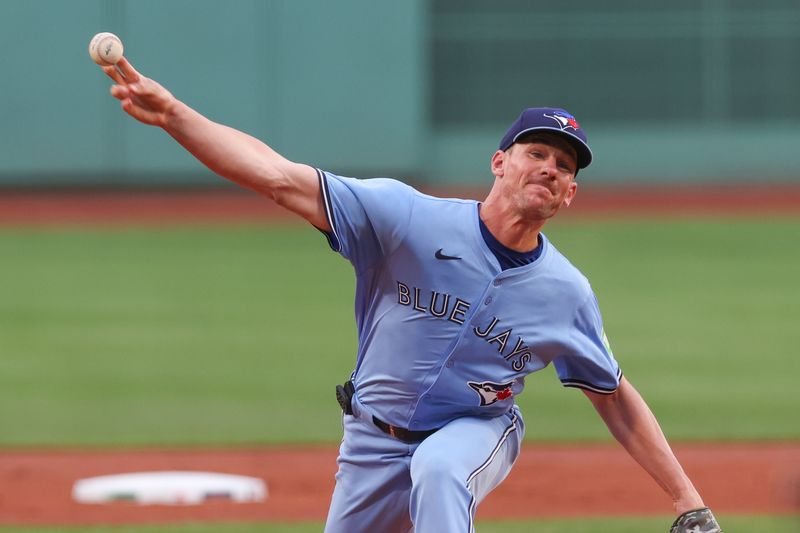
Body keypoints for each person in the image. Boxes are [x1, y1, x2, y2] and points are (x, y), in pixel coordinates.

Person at [98, 57, 722, 533]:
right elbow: (279, 178)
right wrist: (176, 115)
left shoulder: (565, 292)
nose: (550, 169)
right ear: (499, 162)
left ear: (569, 196)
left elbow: (611, 394)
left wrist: (687, 499)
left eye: (565, 166)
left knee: (441, 467)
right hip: (370, 441)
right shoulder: (406, 218)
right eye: (537, 152)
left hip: (476, 429)